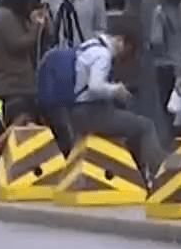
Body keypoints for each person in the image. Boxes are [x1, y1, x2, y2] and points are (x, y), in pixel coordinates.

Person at [68, 13, 166, 178]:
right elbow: (95, 87)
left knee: (131, 124)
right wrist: (116, 90)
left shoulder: (89, 45)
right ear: (121, 41)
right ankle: (162, 174)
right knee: (145, 126)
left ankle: (138, 174)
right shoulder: (103, 55)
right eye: (128, 49)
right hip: (92, 112)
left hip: (76, 111)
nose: (123, 55)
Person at [147, 0, 181, 147]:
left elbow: (155, 40)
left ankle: (172, 147)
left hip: (165, 65)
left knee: (170, 112)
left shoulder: (160, 11)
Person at [0, 0, 44, 112]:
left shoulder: (16, 14)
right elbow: (19, 44)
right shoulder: (3, 15)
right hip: (9, 85)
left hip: (22, 84)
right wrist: (36, 27)